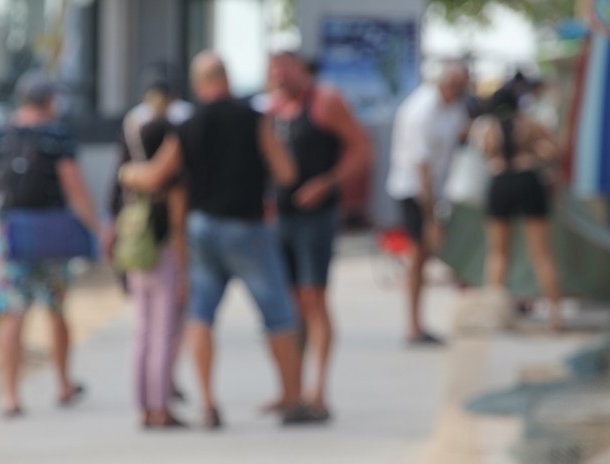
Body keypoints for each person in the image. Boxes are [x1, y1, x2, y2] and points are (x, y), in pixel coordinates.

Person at [119, 51, 322, 427]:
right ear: (227, 79)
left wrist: (128, 174)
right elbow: (286, 172)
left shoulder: (189, 124)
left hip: (202, 229)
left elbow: (156, 175)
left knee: (201, 315)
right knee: (279, 315)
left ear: (198, 85)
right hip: (248, 227)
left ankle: (208, 404)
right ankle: (292, 399)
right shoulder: (253, 118)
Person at [0, 71, 101, 417]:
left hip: (9, 232)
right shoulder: (58, 135)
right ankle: (63, 384)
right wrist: (98, 229)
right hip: (51, 234)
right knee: (56, 310)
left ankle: (11, 396)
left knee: (11, 314)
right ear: (49, 101)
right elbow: (74, 188)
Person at [265, 51, 371, 418]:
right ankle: (291, 389)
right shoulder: (274, 109)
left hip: (317, 217)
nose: (280, 79)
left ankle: (318, 389)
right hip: (282, 217)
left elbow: (362, 150)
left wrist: (327, 183)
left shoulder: (325, 101)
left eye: (285, 71)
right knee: (289, 304)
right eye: (274, 73)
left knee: (314, 299)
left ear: (300, 69)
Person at [110, 82, 188, 428]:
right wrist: (185, 272)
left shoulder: (131, 176)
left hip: (137, 256)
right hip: (165, 253)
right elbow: (178, 227)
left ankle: (144, 405)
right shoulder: (170, 183)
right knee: (163, 334)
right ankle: (160, 405)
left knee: (142, 332)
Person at [387, 61, 470, 346]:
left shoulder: (453, 107)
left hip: (438, 190)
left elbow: (462, 134)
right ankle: (413, 325)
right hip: (415, 191)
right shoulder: (420, 111)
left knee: (433, 253)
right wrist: (431, 218)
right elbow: (420, 168)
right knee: (418, 256)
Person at [478, 87, 562, 331]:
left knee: (498, 253)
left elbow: (485, 154)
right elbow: (554, 151)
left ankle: (492, 315)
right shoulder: (529, 125)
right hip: (527, 182)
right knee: (542, 253)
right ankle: (555, 316)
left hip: (500, 183)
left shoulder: (489, 130)